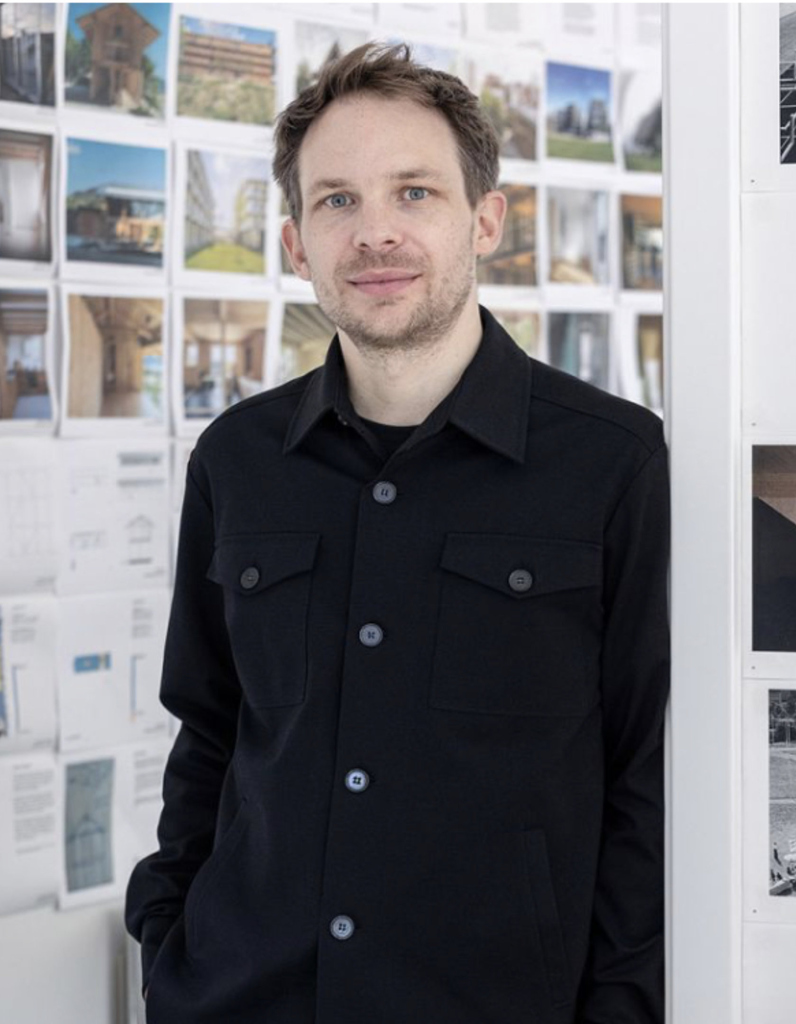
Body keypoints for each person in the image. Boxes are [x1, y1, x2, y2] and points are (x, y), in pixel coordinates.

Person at [125, 42, 669, 1024]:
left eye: (413, 192)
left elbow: (648, 777)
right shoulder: (236, 461)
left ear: (486, 220)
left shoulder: (616, 464)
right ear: (297, 245)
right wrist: (167, 945)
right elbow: (207, 734)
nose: (374, 232)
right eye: (337, 200)